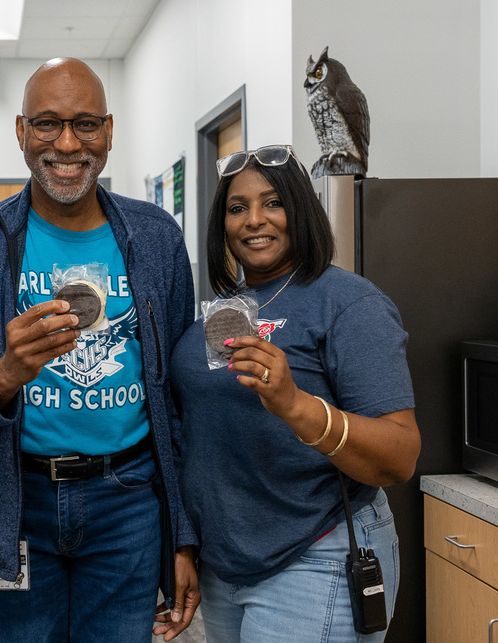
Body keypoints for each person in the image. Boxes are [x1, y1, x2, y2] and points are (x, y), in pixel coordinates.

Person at [0, 57, 200, 642]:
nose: (68, 143)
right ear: (21, 132)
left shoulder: (155, 239)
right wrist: (6, 374)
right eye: (48, 124)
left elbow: (179, 403)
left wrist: (184, 533)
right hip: (15, 502)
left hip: (127, 503)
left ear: (109, 130)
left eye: (86, 124)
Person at [167, 145, 421, 642]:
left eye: (273, 203)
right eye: (237, 208)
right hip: (227, 566)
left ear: (300, 209)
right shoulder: (221, 309)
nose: (254, 220)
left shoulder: (349, 303)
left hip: (316, 556)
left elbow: (400, 456)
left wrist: (295, 405)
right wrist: (186, 545)